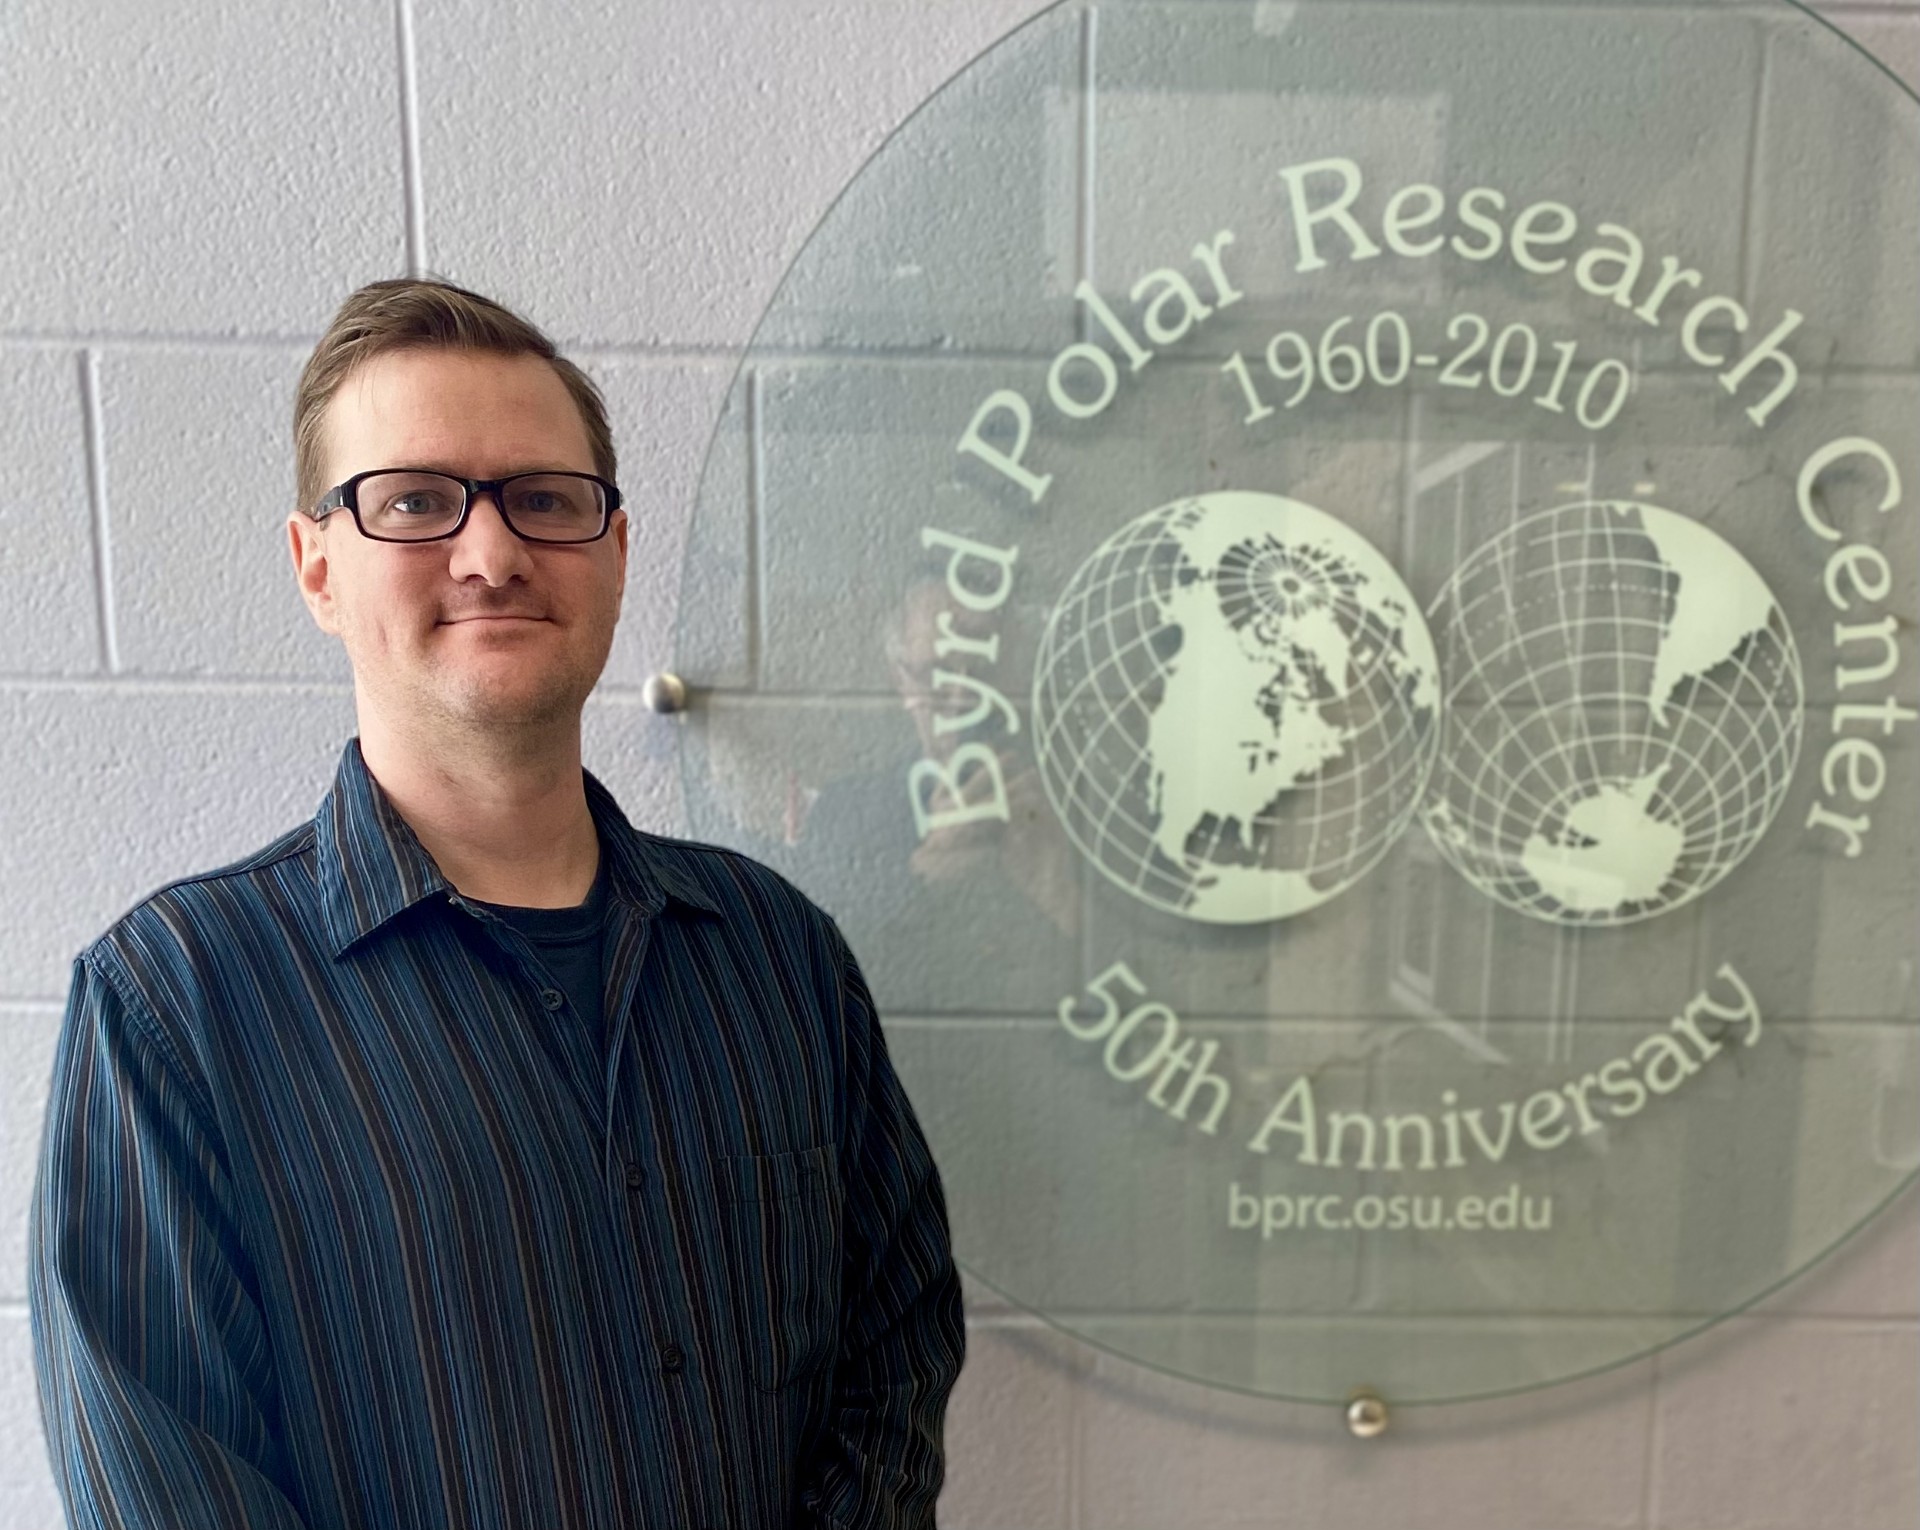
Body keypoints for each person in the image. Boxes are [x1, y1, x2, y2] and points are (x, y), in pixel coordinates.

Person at [28, 278, 966, 1530]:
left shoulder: (779, 958)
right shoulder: (174, 1006)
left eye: (544, 499)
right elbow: (166, 1484)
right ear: (316, 567)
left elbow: (896, 1353)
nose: (491, 551)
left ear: (615, 554)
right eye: (414, 501)